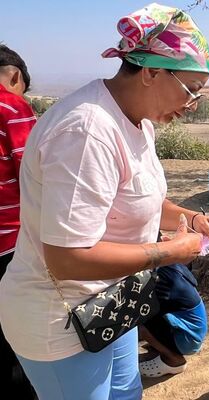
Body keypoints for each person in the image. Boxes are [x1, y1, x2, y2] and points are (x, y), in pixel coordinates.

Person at [0, 4, 209, 400]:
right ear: (150, 72)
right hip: (60, 322)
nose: (192, 103)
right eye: (191, 89)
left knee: (127, 393)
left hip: (112, 301)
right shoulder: (87, 131)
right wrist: (168, 252)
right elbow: (66, 257)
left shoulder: (137, 120)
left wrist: (196, 221)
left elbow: (140, 199)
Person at [0, 45, 36, 400]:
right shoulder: (12, 107)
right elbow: (34, 176)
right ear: (15, 76)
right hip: (8, 244)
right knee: (14, 336)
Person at [138, 262, 208, 378]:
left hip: (188, 340)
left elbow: (149, 306)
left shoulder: (167, 279)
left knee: (140, 325)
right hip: (194, 335)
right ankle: (159, 348)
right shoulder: (173, 268)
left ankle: (174, 359)